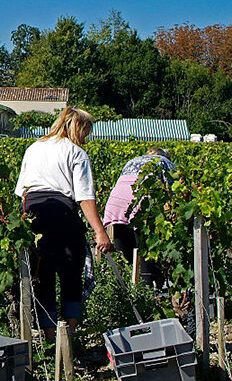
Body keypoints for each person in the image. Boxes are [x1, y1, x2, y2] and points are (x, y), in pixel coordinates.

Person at [15, 107, 114, 339]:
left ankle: (50, 338)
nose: (85, 139)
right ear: (79, 129)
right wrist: (100, 231)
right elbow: (84, 196)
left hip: (34, 215)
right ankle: (69, 335)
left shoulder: (34, 147)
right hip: (62, 214)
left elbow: (22, 191)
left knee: (43, 276)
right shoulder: (76, 153)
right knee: (71, 275)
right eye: (86, 133)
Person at [103, 147, 175, 286]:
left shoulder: (132, 162)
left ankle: (123, 290)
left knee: (124, 255)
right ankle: (147, 292)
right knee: (145, 251)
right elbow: (172, 190)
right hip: (140, 203)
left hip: (116, 204)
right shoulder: (164, 162)